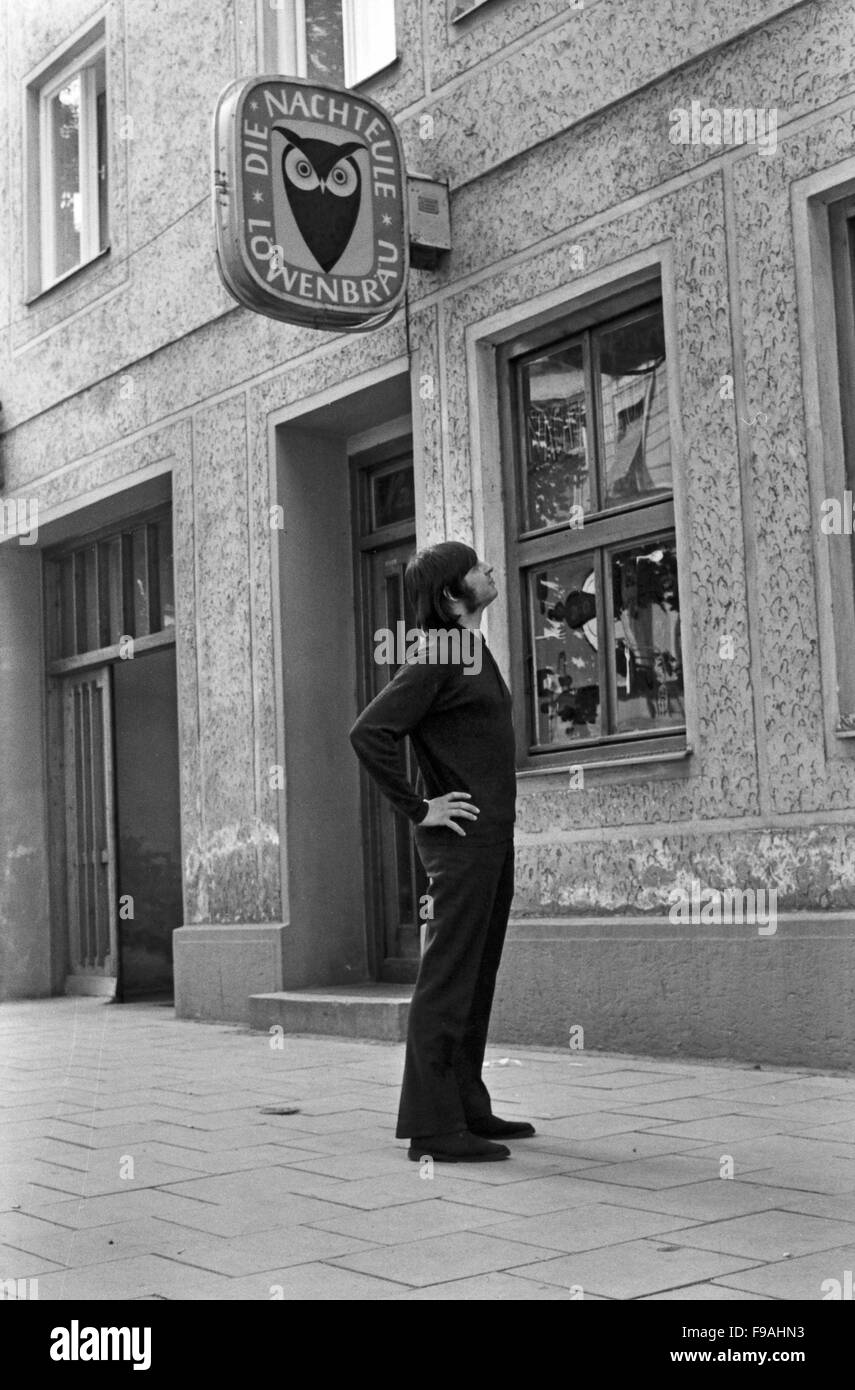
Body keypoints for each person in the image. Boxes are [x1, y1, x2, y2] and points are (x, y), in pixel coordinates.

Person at [349, 540, 536, 1163]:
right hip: (458, 847)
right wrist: (421, 806)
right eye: (477, 568)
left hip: (490, 839)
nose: (489, 572)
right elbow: (370, 732)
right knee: (447, 981)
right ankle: (432, 1129)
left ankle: (467, 1104)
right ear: (454, 596)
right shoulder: (436, 652)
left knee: (476, 975)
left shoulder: (469, 648)